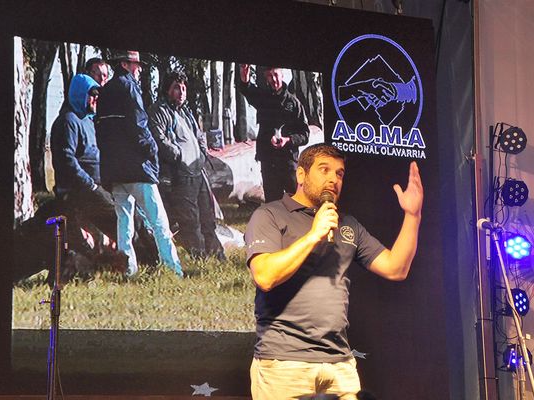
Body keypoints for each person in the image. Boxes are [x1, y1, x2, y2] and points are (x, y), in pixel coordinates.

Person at [244, 144, 423, 400]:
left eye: (339, 173)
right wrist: (313, 235)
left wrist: (412, 215)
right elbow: (265, 276)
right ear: (301, 175)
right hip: (284, 363)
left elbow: (396, 268)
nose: (333, 179)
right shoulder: (269, 215)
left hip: (339, 363)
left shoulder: (348, 225)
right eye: (324, 170)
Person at [95, 50, 182, 277]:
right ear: (125, 65)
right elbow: (139, 126)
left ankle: (128, 269)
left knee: (124, 223)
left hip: (114, 171)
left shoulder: (105, 92)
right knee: (159, 221)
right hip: (137, 168)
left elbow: (101, 132)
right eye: (136, 65)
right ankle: (174, 269)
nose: (139, 69)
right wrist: (152, 150)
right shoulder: (130, 87)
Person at [147, 71, 225, 260]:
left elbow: (199, 135)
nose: (181, 92)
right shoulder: (159, 110)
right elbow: (159, 139)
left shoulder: (186, 112)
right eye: (176, 88)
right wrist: (180, 155)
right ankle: (200, 260)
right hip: (180, 175)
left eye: (183, 88)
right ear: (167, 89)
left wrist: (202, 151)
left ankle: (217, 256)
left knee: (208, 218)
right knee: (190, 221)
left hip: (199, 172)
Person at [50, 73, 118, 256]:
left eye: (98, 95)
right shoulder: (67, 121)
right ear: (80, 94)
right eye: (92, 94)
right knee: (119, 219)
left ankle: (134, 262)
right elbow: (66, 161)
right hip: (81, 191)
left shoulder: (87, 120)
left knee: (125, 221)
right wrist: (91, 184)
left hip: (96, 187)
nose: (96, 98)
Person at [238, 64, 310, 202]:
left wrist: (288, 140)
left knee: (297, 202)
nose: (273, 79)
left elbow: (305, 134)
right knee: (273, 204)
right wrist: (244, 77)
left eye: (275, 75)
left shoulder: (294, 103)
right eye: (270, 76)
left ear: (282, 76)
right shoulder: (263, 99)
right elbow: (247, 89)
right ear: (266, 78)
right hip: (268, 161)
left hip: (288, 162)